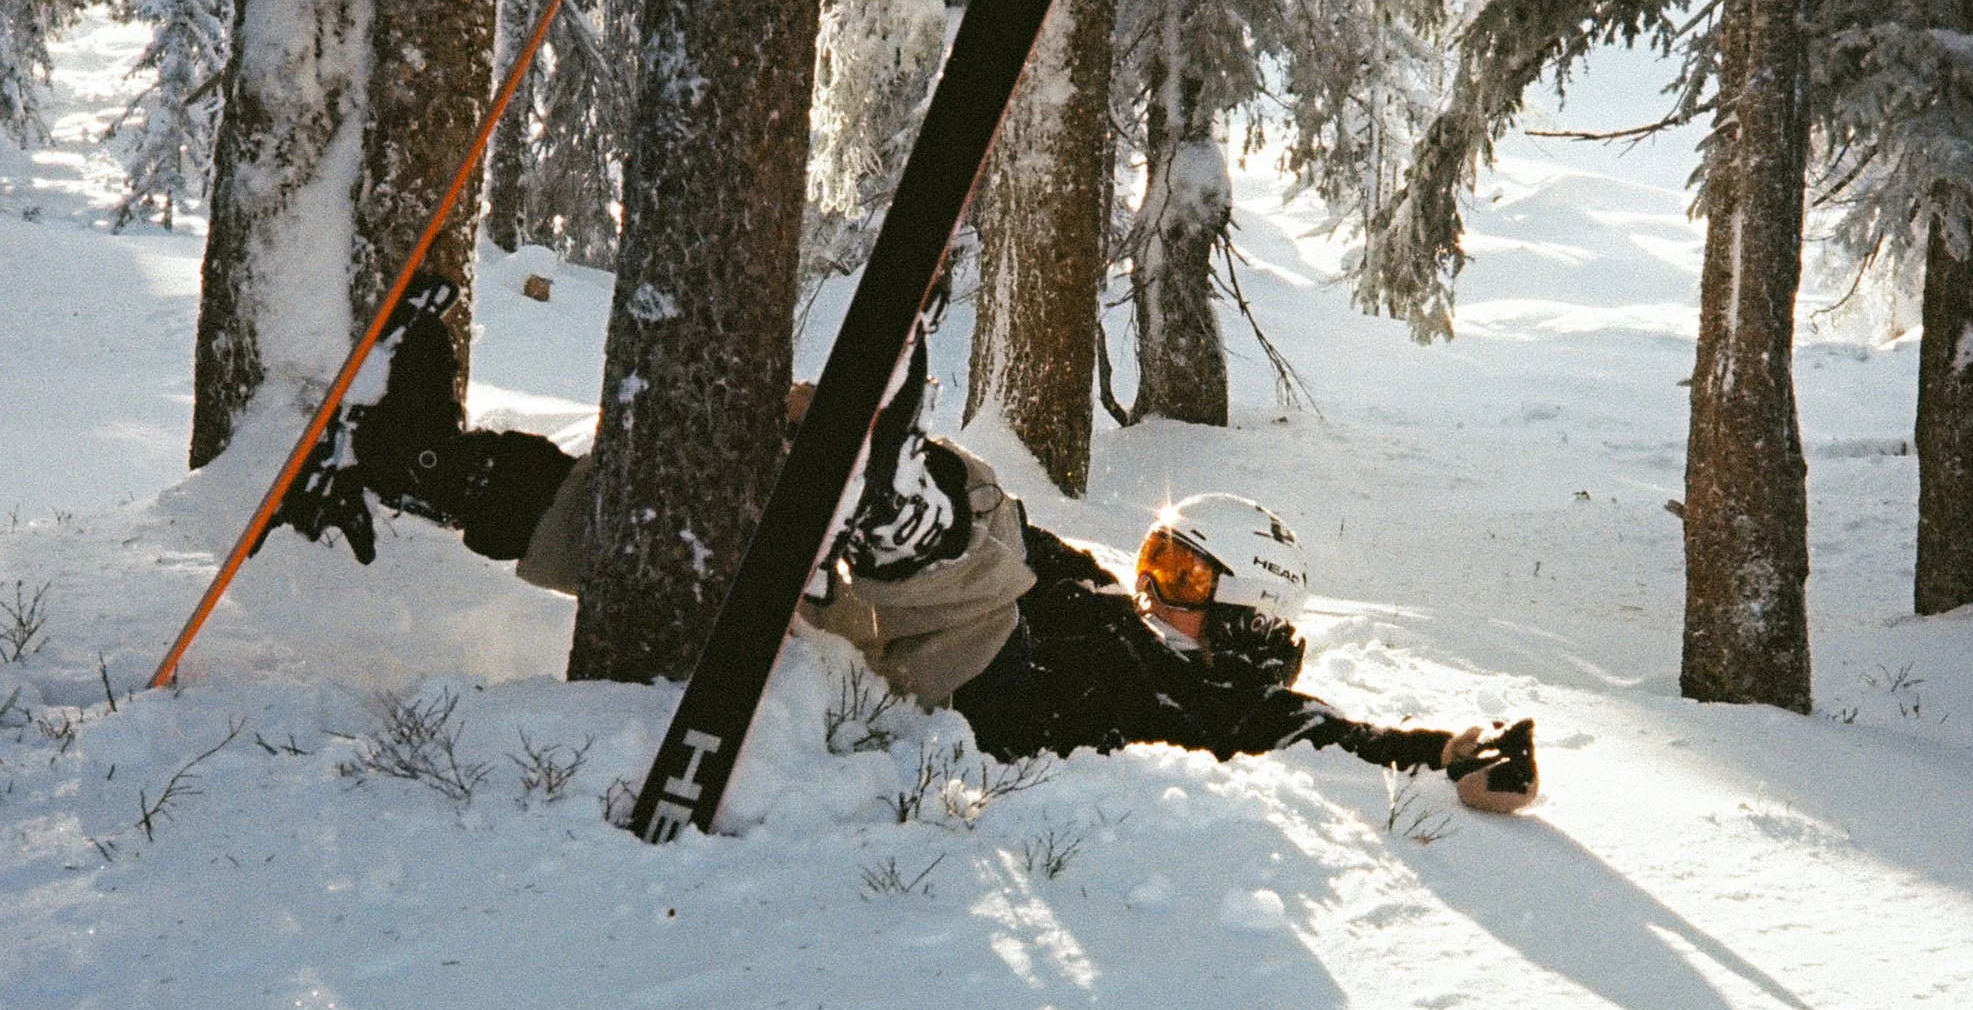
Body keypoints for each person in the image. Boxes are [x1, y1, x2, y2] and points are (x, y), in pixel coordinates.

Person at [273, 281, 1538, 809]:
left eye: (1187, 581)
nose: (1157, 586)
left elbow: (1312, 735)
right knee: (644, 528)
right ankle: (403, 463)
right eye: (1159, 559)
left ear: (1253, 623)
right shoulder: (1107, 598)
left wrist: (1437, 753)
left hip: (986, 673)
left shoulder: (1213, 695)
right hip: (896, 622)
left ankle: (889, 501)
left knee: (985, 546)